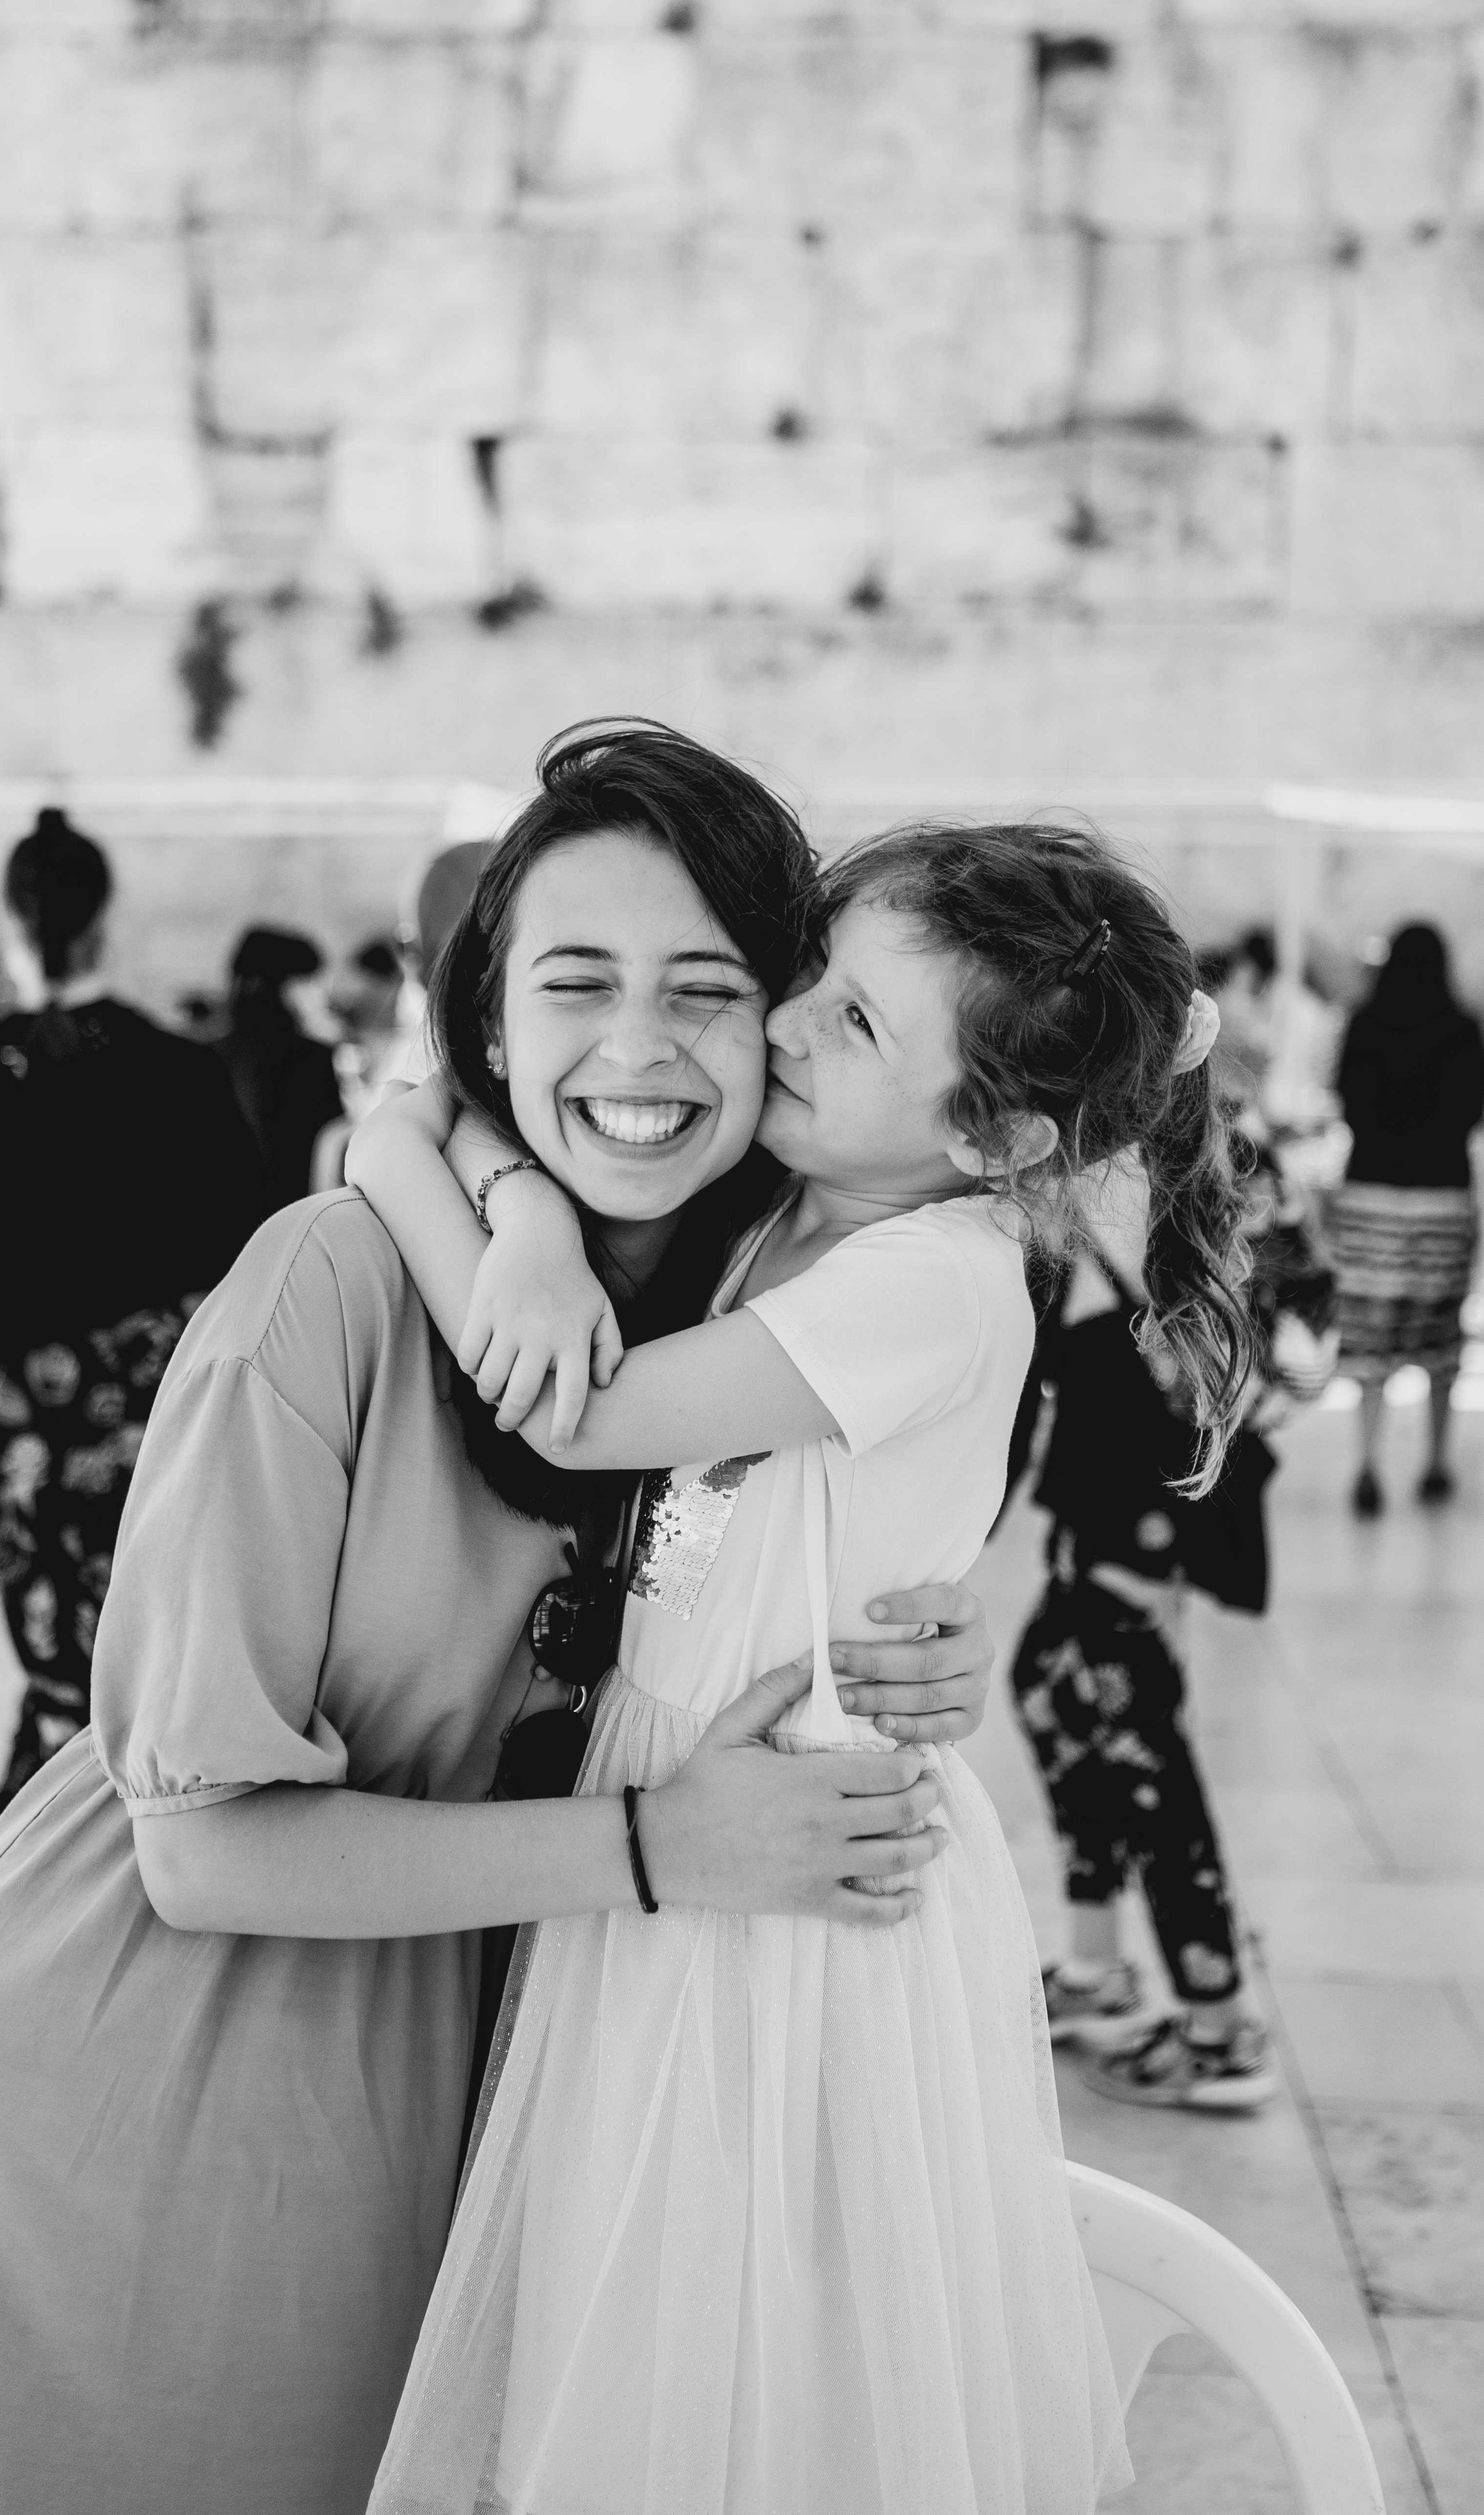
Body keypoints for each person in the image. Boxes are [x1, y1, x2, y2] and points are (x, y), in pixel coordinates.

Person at [0, 726, 993, 2515]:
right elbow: (202, 1856)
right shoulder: (328, 1289)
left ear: (785, 1031)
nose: (640, 1050)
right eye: (574, 983)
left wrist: (907, 1642)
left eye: (709, 991)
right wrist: (660, 1845)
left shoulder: (746, 1331)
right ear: (491, 1030)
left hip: (437, 2120)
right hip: (121, 2112)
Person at [352, 819, 1253, 2514]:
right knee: (644, 2310)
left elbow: (583, 1409)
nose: (779, 1024)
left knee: (770, 2349)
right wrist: (518, 1193)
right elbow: (466, 1100)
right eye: (813, 980)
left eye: (849, 1023)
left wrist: (411, 1169)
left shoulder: (935, 1271)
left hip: (786, 1887)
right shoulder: (802, 1197)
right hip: (696, 1822)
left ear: (994, 1133)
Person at [0, 807, 267, 1859]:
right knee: (143, 1656)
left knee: (58, 1665)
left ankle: (32, 1868)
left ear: (16, 923)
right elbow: (249, 1258)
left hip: (11, 1426)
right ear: (107, 920)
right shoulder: (179, 1069)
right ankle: (89, 1869)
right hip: (151, 1416)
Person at [1006, 1160, 1279, 2113]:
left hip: (1131, 1556)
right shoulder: (1094, 1178)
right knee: (1051, 1695)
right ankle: (1094, 1970)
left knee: (1150, 1782)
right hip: (1097, 1543)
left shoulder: (1133, 1176)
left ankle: (1219, 2024)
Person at [1332, 922, 1484, 1516]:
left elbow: (1346, 1101)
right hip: (1442, 1196)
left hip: (1371, 1194)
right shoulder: (1465, 1028)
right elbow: (1472, 1112)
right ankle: (1436, 1463)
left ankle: (1368, 1463)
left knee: (1372, 1338)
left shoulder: (1365, 1023)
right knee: (1440, 1336)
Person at [212, 923, 345, 1208]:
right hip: (289, 1221)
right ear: (286, 988)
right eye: (312, 983)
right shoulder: (310, 1059)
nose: (322, 997)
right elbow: (329, 1158)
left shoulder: (210, 1054)